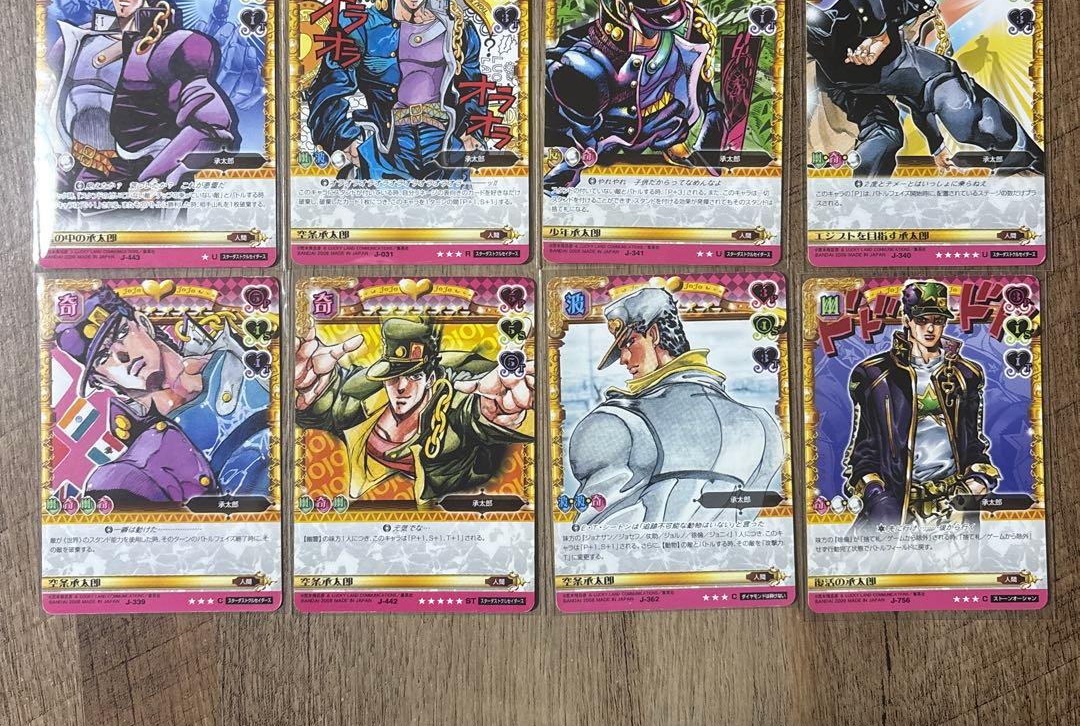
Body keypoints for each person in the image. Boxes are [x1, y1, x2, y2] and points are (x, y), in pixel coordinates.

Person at [807, 0, 1044, 176]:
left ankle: (862, 192)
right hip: (866, 62)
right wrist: (877, 32)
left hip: (854, 77)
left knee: (887, 134)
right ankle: (1023, 156)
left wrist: (937, 146)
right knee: (952, 94)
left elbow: (918, 99)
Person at [565, 287, 783, 524]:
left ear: (654, 334)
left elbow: (593, 532)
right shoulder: (763, 425)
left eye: (630, 342)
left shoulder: (618, 422)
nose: (624, 359)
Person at [55, 287, 270, 505]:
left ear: (143, 323)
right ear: (102, 380)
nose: (122, 355)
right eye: (103, 357)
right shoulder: (141, 462)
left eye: (121, 333)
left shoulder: (237, 355)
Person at [48, 0, 239, 189]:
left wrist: (157, 176)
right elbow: (52, 106)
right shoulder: (78, 40)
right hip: (75, 171)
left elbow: (213, 124)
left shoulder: (170, 47)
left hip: (136, 179)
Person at [295, 316, 533, 505]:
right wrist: (311, 389)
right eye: (392, 377)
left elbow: (471, 414)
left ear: (430, 379)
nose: (401, 387)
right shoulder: (361, 401)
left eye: (414, 376)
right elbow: (329, 402)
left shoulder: (452, 409)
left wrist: (497, 411)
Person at [544, 0, 733, 190]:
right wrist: (576, 159)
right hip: (606, 141)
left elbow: (701, 91)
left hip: (666, 127)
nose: (658, 30)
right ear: (623, 9)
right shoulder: (586, 57)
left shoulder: (678, 39)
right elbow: (571, 125)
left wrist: (711, 139)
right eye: (652, 21)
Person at [305, 0, 482, 181]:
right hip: (389, 142)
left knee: (455, 202)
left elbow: (473, 85)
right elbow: (328, 88)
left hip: (442, 138)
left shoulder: (456, 27)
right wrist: (345, 137)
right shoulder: (361, 26)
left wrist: (473, 132)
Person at [843, 280, 998, 527]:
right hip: (899, 507)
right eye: (922, 320)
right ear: (907, 320)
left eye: (938, 320)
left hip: (953, 505)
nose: (930, 328)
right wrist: (876, 494)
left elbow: (972, 443)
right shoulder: (876, 376)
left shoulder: (966, 375)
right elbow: (864, 451)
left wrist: (978, 481)